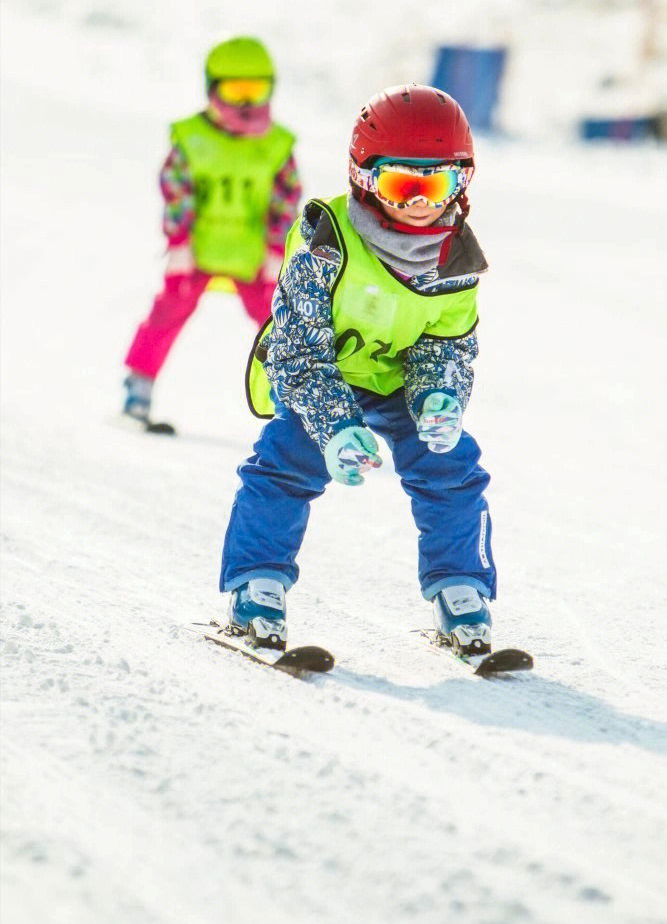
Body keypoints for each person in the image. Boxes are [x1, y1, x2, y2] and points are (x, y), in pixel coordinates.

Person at [220, 84, 496, 655]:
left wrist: (438, 399)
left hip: (396, 383)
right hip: (323, 375)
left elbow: (445, 347)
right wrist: (336, 425)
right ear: (366, 177)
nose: (420, 201)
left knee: (452, 466)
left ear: (462, 181)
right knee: (286, 463)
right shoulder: (327, 244)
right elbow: (295, 350)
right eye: (402, 184)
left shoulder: (456, 260)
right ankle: (258, 582)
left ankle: (460, 588)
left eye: (437, 183)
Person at [122, 36, 302, 428]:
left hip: (255, 255)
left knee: (280, 322)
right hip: (197, 251)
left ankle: (295, 398)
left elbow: (287, 196)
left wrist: (277, 247)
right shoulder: (192, 139)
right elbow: (176, 188)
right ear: (212, 89)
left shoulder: (275, 145)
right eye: (235, 90)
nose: (246, 103)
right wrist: (178, 241)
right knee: (168, 313)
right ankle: (138, 388)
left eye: (256, 90)